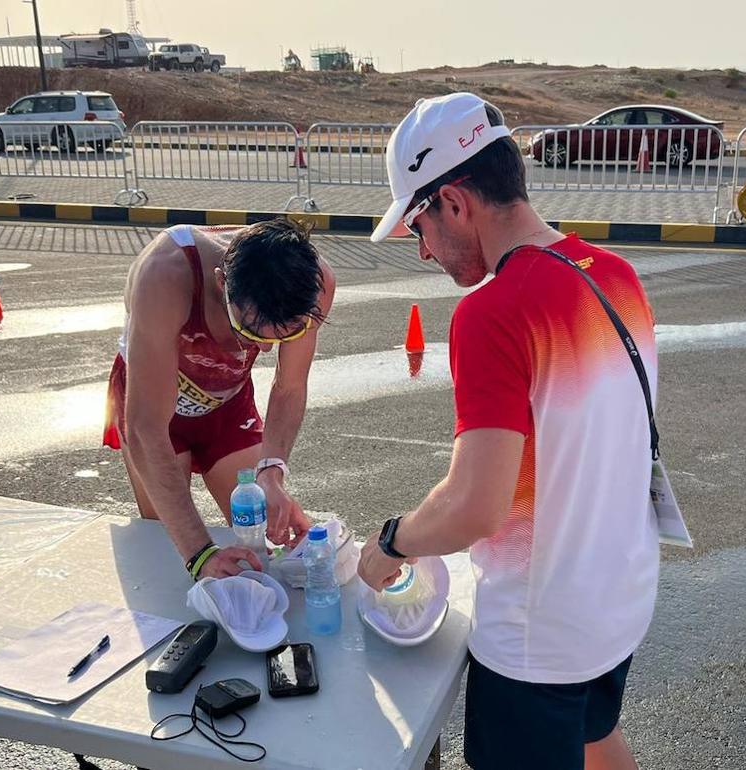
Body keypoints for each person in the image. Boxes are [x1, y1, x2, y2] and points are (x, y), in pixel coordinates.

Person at [357, 92, 660, 770]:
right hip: (620, 596)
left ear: (455, 202)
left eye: (418, 226)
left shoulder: (493, 312)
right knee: (595, 738)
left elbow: (475, 506)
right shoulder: (614, 275)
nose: (424, 251)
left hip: (540, 636)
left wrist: (390, 543)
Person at [104, 219, 335, 580]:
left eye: (286, 334)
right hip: (155, 407)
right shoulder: (165, 275)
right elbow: (146, 430)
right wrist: (199, 553)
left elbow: (289, 386)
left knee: (259, 543)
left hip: (227, 401)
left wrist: (272, 472)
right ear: (221, 282)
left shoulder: (314, 284)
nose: (263, 348)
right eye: (248, 331)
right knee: (173, 551)